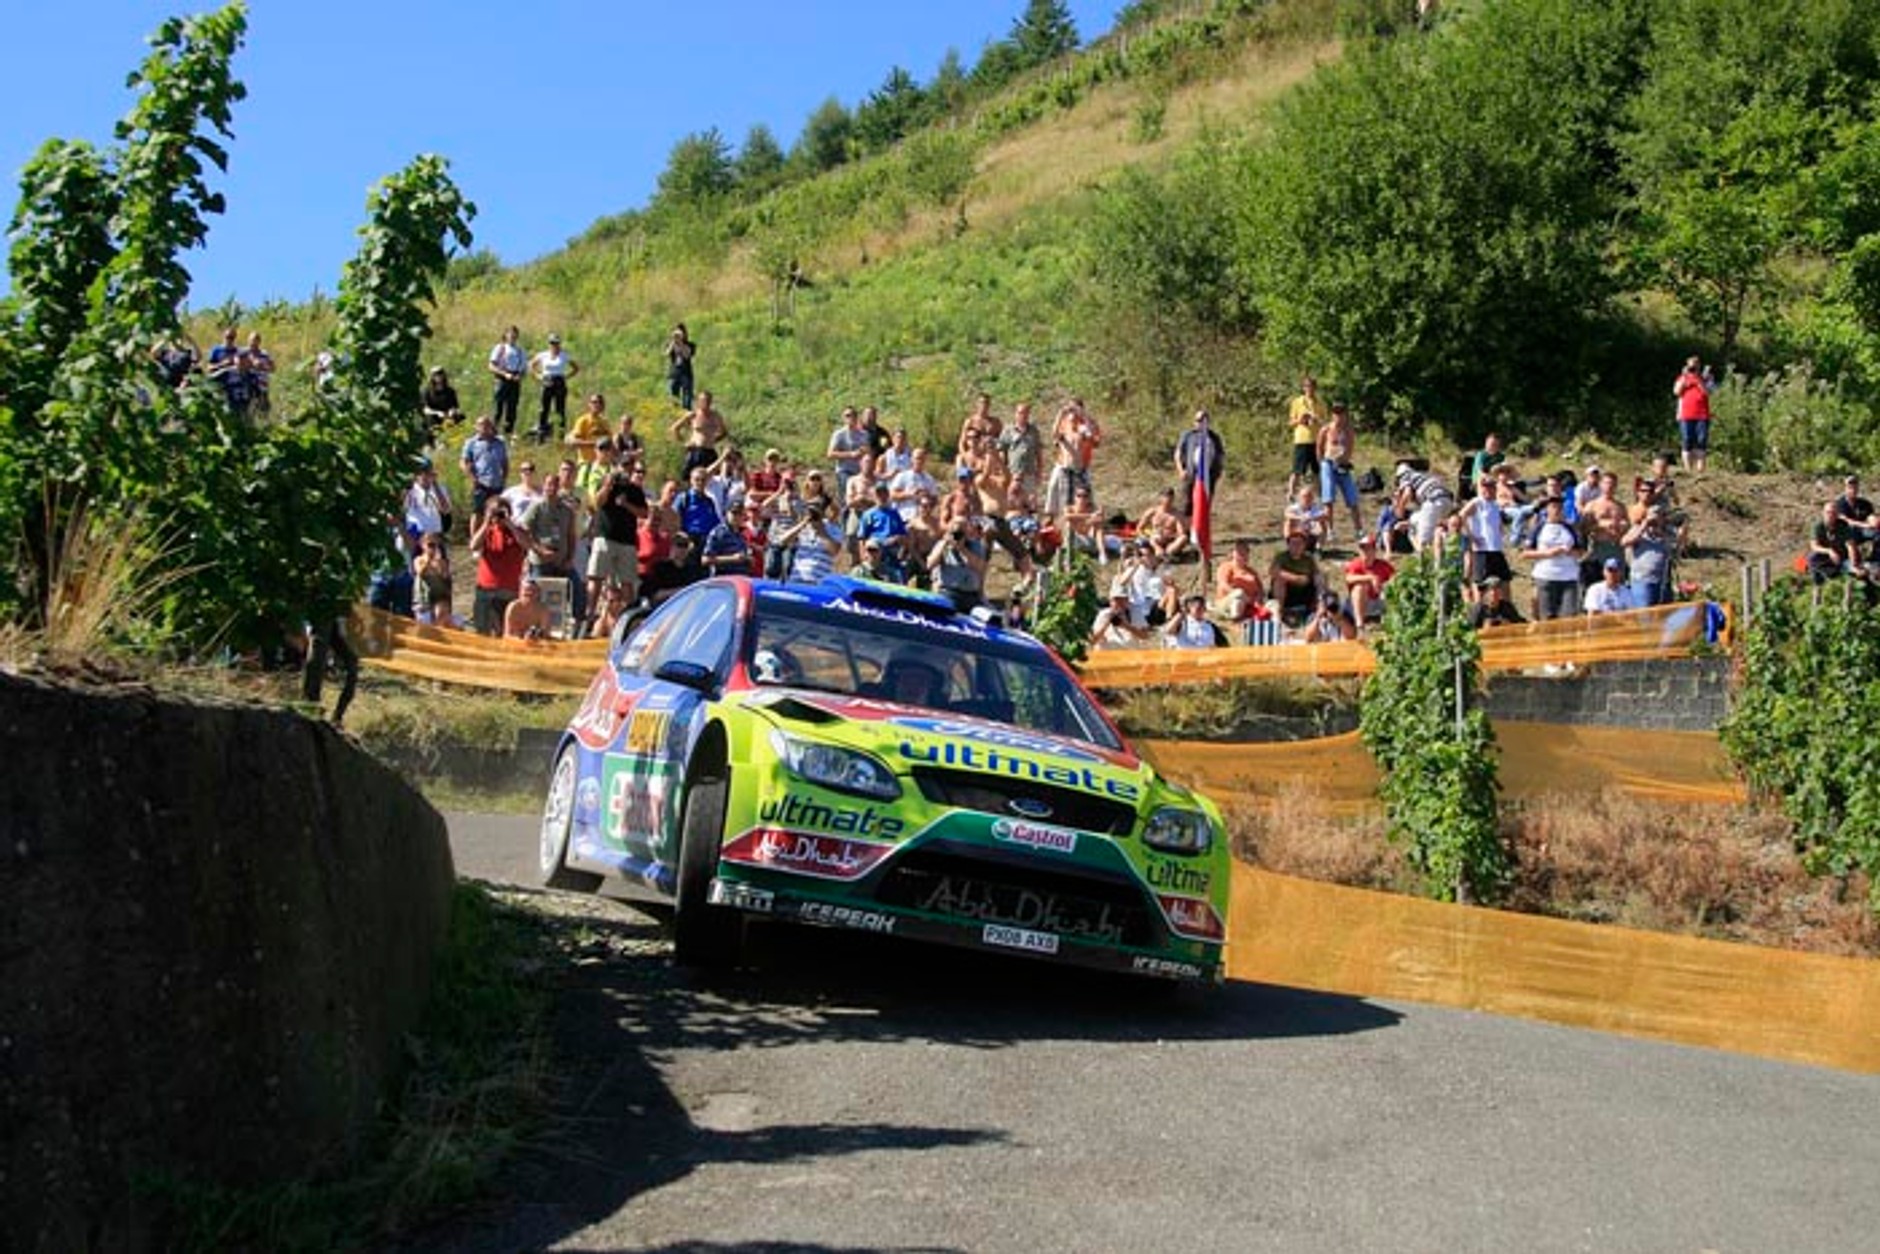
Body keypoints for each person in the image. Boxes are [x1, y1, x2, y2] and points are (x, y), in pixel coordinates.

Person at [588, 455, 649, 616]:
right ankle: (589, 613)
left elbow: (644, 513)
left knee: (627, 581)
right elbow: (597, 504)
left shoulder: (635, 489)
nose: (626, 469)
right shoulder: (607, 482)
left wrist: (627, 505)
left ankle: (627, 615)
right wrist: (607, 487)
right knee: (596, 577)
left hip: (627, 541)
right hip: (605, 537)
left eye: (630, 465)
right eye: (623, 465)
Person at [470, 497, 528, 635]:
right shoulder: (486, 531)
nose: (497, 516)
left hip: (509, 589)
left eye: (500, 512)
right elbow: (473, 546)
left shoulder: (517, 531)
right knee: (482, 630)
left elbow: (526, 545)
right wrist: (486, 522)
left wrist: (510, 524)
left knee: (506, 631)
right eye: (493, 512)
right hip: (486, 589)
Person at [1525, 495, 1583, 619]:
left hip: (1568, 577)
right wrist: (1548, 553)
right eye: (1553, 507)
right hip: (1546, 576)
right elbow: (1526, 553)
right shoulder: (1539, 528)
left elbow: (1581, 551)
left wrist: (1570, 552)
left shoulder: (1569, 528)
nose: (1557, 510)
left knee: (1569, 616)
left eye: (1560, 507)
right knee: (1547, 617)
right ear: (1547, 509)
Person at [1455, 473, 1511, 591]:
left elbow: (1498, 525)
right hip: (1482, 550)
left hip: (1496, 549)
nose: (1488, 489)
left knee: (1504, 582)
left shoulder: (1495, 504)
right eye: (1485, 486)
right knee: (1481, 586)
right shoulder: (1477, 502)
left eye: (1491, 486)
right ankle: (1479, 607)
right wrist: (1471, 537)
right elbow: (1460, 517)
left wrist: (1502, 536)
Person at [1316, 402, 1361, 539]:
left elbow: (1350, 446)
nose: (1338, 416)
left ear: (1345, 415)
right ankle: (1330, 530)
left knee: (1352, 498)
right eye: (1336, 413)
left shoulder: (1349, 430)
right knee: (1328, 498)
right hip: (1328, 464)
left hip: (1343, 465)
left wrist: (1345, 460)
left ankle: (1359, 529)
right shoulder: (1326, 429)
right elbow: (1319, 447)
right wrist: (1322, 463)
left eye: (1341, 413)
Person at [928, 516, 989, 612]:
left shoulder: (976, 546)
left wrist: (962, 549)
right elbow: (930, 565)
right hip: (949, 592)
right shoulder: (942, 545)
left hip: (971, 595)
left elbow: (980, 568)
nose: (958, 535)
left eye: (962, 530)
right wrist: (945, 544)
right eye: (956, 530)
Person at [1394, 462, 1455, 554]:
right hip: (1447, 501)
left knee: (1424, 541)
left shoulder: (1406, 476)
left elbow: (1407, 493)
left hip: (1433, 501)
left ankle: (1423, 561)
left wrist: (1400, 508)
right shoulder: (1422, 476)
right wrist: (1409, 523)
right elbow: (1423, 514)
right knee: (1433, 531)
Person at [1174, 409, 1225, 518]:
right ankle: (1185, 531)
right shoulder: (1188, 435)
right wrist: (1181, 471)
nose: (1200, 422)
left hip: (1208, 477)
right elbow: (1178, 454)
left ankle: (1201, 531)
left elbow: (1220, 456)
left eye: (1203, 420)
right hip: (1190, 475)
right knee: (1186, 503)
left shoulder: (1214, 437)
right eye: (1197, 420)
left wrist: (1218, 472)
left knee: (1205, 503)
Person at [779, 501, 844, 584]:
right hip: (796, 579)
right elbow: (782, 541)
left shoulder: (833, 528)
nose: (812, 516)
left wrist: (821, 531)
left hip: (818, 581)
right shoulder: (803, 528)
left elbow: (835, 551)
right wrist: (803, 523)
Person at [1622, 505, 1674, 607]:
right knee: (1645, 615)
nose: (1654, 519)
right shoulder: (1637, 530)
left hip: (1662, 581)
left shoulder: (1666, 532)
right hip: (1642, 581)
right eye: (1652, 515)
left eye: (1658, 516)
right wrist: (1643, 526)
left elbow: (1678, 547)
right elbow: (1624, 542)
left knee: (1664, 615)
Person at [529, 334, 579, 441]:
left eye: (556, 343)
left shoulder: (564, 355)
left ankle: (560, 434)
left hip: (559, 382)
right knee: (543, 409)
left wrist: (566, 376)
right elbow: (531, 365)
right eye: (552, 343)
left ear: (559, 344)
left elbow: (576, 368)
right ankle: (541, 434)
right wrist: (538, 376)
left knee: (560, 409)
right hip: (547, 381)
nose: (554, 345)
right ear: (548, 343)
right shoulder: (543, 355)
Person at [669, 390, 730, 476]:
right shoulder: (693, 414)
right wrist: (684, 443)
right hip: (696, 451)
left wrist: (714, 440)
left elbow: (724, 432)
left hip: (710, 450)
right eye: (703, 400)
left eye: (708, 400)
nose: (706, 403)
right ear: (698, 401)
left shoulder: (716, 416)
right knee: (691, 476)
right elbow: (674, 428)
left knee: (713, 477)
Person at [459, 415, 509, 519]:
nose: (484, 427)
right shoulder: (471, 443)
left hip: (497, 483)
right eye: (481, 424)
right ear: (476, 427)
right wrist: (472, 478)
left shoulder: (499, 442)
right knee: (477, 512)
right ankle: (474, 535)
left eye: (487, 424)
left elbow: (505, 462)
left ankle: (492, 534)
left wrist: (504, 478)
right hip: (480, 483)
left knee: (497, 511)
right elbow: (463, 462)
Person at [1268, 531, 1320, 627]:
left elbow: (1315, 575)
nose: (1296, 546)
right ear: (1288, 545)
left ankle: (1316, 612)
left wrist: (1310, 580)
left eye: (1300, 543)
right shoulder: (1281, 557)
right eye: (1293, 543)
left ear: (1304, 545)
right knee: (1279, 581)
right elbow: (1273, 572)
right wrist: (1297, 578)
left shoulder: (1309, 559)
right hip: (1286, 591)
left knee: (1321, 579)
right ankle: (1279, 614)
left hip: (1304, 591)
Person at [1286, 375, 1327, 498]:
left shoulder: (1321, 403)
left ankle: (1321, 496)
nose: (1310, 389)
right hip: (1302, 440)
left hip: (1317, 440)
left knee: (1317, 471)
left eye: (1312, 386)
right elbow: (1290, 422)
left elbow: (1325, 424)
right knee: (1297, 470)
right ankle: (1291, 494)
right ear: (1303, 388)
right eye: (1307, 386)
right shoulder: (1297, 402)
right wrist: (1300, 420)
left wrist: (1316, 419)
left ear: (1316, 388)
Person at [1343, 533, 1395, 627]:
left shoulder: (1383, 565)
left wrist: (1384, 586)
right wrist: (1371, 577)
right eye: (1362, 549)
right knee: (1360, 587)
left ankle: (1390, 618)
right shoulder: (1356, 564)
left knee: (1391, 587)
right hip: (1359, 603)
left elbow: (1395, 578)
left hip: (1378, 601)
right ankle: (1360, 623)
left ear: (1374, 550)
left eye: (1368, 549)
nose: (1364, 552)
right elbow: (1348, 579)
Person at [1673, 355, 1713, 473]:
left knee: (1701, 440)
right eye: (1691, 366)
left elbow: (1708, 392)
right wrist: (1685, 378)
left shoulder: (1706, 378)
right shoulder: (1682, 378)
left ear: (1699, 366)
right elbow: (1676, 392)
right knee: (1687, 440)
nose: (1693, 368)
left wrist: (1699, 381)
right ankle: (1688, 469)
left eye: (1695, 365)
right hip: (1686, 414)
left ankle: (1700, 470)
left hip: (1702, 414)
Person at [827, 406, 872, 508]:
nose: (850, 418)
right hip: (845, 470)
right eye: (847, 415)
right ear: (843, 418)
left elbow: (868, 451)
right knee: (847, 500)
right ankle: (845, 522)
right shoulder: (839, 434)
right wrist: (850, 454)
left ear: (857, 417)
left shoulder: (864, 434)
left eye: (853, 415)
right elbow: (830, 454)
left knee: (862, 498)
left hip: (860, 471)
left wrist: (863, 451)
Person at [487, 326, 527, 435]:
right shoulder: (500, 348)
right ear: (505, 335)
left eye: (515, 334)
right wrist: (505, 374)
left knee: (512, 409)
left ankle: (508, 435)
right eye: (510, 334)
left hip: (515, 380)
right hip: (502, 379)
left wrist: (520, 376)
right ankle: (493, 433)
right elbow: (491, 366)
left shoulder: (521, 350)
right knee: (498, 409)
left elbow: (524, 369)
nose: (513, 336)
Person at [998, 402, 1042, 499]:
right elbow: (1001, 450)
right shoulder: (1008, 430)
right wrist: (1003, 470)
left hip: (1029, 473)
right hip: (1013, 473)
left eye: (1026, 413)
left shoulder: (1033, 431)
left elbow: (1038, 452)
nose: (1023, 415)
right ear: (1015, 414)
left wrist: (1039, 471)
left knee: (1030, 502)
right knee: (1012, 501)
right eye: (1020, 412)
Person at [412, 534, 455, 627]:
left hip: (439, 598)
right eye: (431, 545)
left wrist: (439, 563)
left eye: (437, 545)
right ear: (422, 545)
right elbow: (420, 572)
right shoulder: (418, 560)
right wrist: (428, 558)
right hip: (423, 600)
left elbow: (445, 577)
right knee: (424, 627)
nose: (434, 548)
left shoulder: (442, 561)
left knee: (441, 621)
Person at [701, 501, 754, 576]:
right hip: (724, 578)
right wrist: (732, 559)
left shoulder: (743, 533)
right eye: (734, 513)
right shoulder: (718, 532)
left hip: (742, 577)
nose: (736, 517)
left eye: (740, 514)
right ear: (727, 514)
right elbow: (705, 560)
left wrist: (748, 559)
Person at [1809, 499, 1857, 583]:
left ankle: (1842, 573)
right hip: (1826, 556)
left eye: (1834, 513)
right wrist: (1829, 551)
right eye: (1828, 512)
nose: (1831, 515)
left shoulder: (1843, 525)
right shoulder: (1818, 526)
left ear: (1837, 514)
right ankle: (1821, 581)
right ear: (1823, 513)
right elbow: (1814, 546)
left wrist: (1853, 564)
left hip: (1842, 556)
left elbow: (1850, 546)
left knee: (1857, 571)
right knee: (1812, 558)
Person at [205, 326, 249, 415]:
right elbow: (209, 368)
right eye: (228, 337)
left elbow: (245, 368)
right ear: (223, 336)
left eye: (232, 338)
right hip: (219, 386)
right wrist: (222, 364)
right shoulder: (216, 350)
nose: (229, 340)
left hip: (235, 387)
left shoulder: (238, 351)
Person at [673, 466, 721, 543]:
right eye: (697, 480)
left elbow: (715, 522)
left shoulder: (709, 501)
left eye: (703, 480)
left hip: (708, 540)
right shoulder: (683, 498)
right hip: (690, 539)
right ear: (691, 480)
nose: (700, 483)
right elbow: (674, 520)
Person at [890, 448, 939, 522]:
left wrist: (927, 496)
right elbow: (892, 495)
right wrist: (909, 494)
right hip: (904, 517)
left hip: (922, 519)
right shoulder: (902, 476)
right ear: (911, 459)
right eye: (917, 458)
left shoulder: (929, 479)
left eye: (922, 459)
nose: (919, 461)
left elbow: (935, 499)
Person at [1138, 488, 1188, 560]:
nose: (1168, 502)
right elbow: (1139, 528)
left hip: (1169, 541)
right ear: (1161, 499)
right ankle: (1158, 552)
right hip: (1154, 540)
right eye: (1166, 499)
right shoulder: (1152, 512)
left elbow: (1181, 533)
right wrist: (1148, 536)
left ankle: (1167, 553)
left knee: (1184, 538)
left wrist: (1169, 536)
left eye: (1170, 500)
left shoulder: (1177, 515)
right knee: (1153, 538)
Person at [565, 392, 613, 463]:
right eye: (594, 402)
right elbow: (574, 442)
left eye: (600, 402)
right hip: (586, 462)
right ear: (589, 404)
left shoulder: (605, 422)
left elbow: (610, 441)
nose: (597, 405)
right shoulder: (583, 420)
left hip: (602, 463)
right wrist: (595, 443)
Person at [1283, 484, 1330, 552]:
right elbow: (1286, 514)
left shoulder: (1315, 508)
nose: (1307, 499)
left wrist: (1312, 518)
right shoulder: (1295, 508)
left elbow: (1325, 516)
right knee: (1288, 522)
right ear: (1299, 497)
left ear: (1312, 498)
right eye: (1304, 496)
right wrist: (1300, 518)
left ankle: (1318, 548)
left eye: (1309, 496)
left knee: (1322, 522)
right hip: (1297, 535)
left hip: (1310, 536)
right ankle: (1290, 546)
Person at [420, 366, 464, 438]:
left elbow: (455, 406)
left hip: (448, 415)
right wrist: (437, 412)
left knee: (459, 416)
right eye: (436, 375)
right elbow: (425, 409)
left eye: (440, 374)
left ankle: (456, 436)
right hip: (434, 415)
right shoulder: (427, 391)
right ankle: (435, 439)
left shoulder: (450, 391)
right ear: (432, 377)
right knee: (430, 419)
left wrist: (452, 411)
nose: (438, 377)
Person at [242, 331, 275, 418]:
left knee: (263, 410)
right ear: (248, 340)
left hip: (262, 385)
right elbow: (238, 366)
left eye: (256, 340)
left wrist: (262, 366)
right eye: (252, 340)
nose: (253, 342)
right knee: (248, 410)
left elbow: (273, 368)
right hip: (248, 384)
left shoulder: (264, 353)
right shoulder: (243, 352)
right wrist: (251, 364)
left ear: (259, 341)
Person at [666, 323, 696, 410]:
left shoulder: (690, 344)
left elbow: (687, 355)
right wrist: (673, 341)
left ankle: (686, 417)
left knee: (687, 399)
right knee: (673, 399)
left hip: (686, 374)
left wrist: (681, 343)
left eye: (680, 333)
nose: (678, 335)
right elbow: (667, 353)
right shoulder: (671, 344)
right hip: (673, 374)